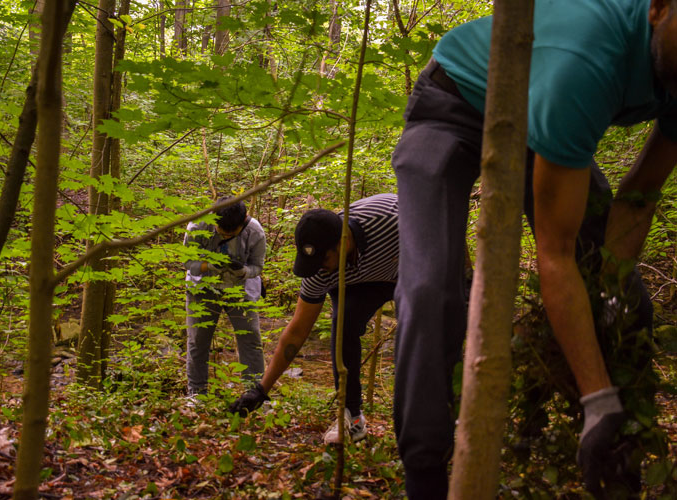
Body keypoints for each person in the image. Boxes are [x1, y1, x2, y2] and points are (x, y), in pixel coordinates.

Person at [392, 0, 677, 497]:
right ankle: (426, 469)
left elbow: (639, 196)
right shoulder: (587, 61)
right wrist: (597, 395)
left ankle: (621, 444)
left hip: (541, 119)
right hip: (454, 100)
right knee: (431, 288)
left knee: (623, 295)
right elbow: (555, 254)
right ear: (658, 10)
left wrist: (609, 296)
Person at [229, 193, 399, 444]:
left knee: (416, 329)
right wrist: (260, 390)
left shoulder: (389, 221)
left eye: (324, 259)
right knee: (343, 325)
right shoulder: (320, 272)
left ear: (342, 242)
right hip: (355, 282)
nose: (319, 268)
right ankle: (351, 417)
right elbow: (297, 331)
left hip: (405, 269)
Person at [183, 198, 266, 396]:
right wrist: (208, 266)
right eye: (222, 231)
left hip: (240, 290)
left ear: (243, 221)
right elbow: (188, 261)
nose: (226, 235)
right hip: (203, 287)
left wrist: (244, 271)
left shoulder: (255, 231)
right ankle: (196, 393)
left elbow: (258, 266)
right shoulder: (196, 227)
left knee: (251, 340)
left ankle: (254, 393)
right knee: (198, 340)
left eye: (231, 232)